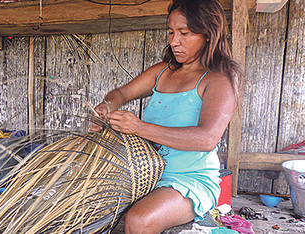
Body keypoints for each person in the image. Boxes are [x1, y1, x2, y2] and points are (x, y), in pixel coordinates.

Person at [93, 0, 242, 233]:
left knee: (140, 220)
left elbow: (207, 139)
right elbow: (121, 93)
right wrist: (107, 106)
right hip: (144, 174)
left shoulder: (218, 79)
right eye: (171, 32)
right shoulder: (162, 72)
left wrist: (139, 128)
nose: (174, 41)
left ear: (208, 35)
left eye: (185, 33)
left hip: (189, 179)